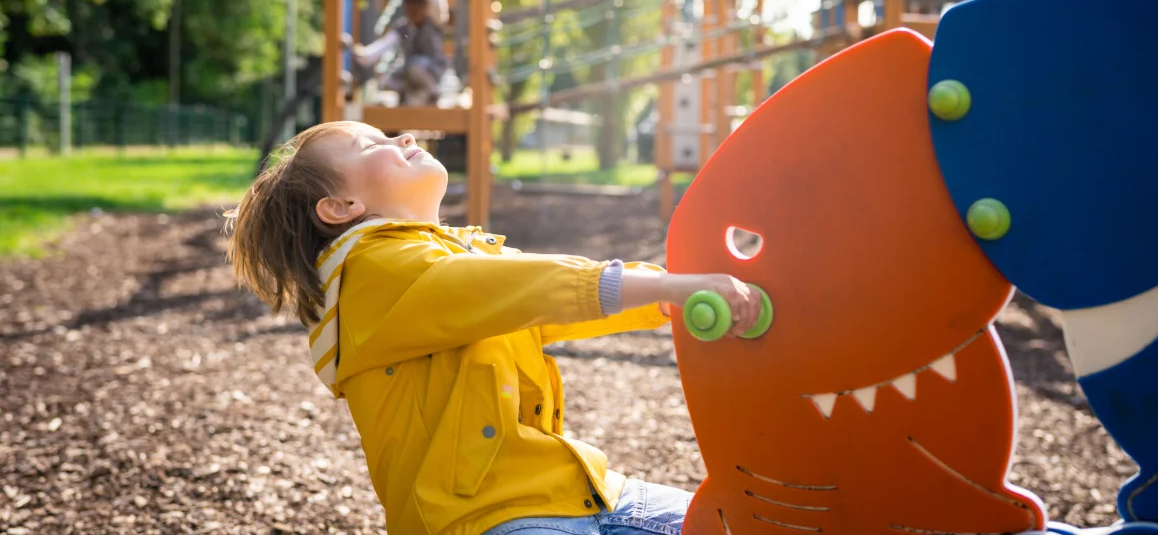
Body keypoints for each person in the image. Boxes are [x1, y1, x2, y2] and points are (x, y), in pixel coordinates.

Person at [224, 121, 763, 535]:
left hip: (576, 493)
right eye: (373, 145)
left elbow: (545, 302)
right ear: (341, 207)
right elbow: (533, 285)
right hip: (484, 519)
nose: (404, 136)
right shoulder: (375, 273)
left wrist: (669, 297)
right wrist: (672, 289)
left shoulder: (451, 256)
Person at [356, 0, 449, 106]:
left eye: (417, 9)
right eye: (410, 10)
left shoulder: (432, 24)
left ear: (426, 8)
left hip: (431, 70)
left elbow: (440, 8)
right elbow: (387, 42)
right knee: (390, 79)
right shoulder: (404, 27)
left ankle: (432, 91)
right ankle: (409, 98)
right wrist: (367, 55)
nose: (413, 13)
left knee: (415, 66)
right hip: (411, 71)